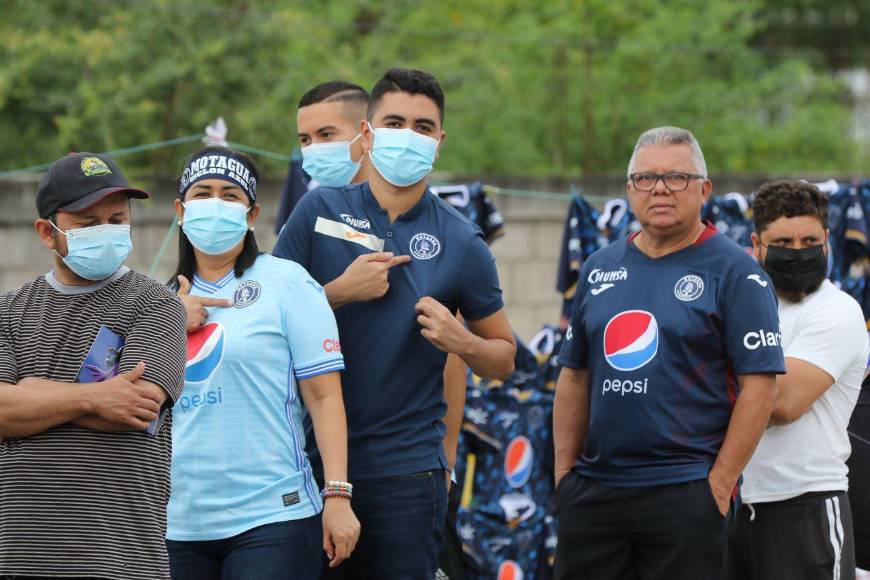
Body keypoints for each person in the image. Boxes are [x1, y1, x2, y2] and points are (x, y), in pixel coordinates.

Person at [274, 68, 516, 579]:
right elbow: (264, 320)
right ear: (367, 133)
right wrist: (338, 292)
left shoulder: (462, 240)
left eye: (423, 127)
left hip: (408, 473)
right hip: (309, 463)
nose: (408, 136)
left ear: (440, 141)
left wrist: (462, 341)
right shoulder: (316, 211)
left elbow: (504, 359)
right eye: (394, 121)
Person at [553, 127, 785, 580]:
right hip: (595, 494)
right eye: (645, 178)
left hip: (685, 494)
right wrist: (565, 474)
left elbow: (761, 386)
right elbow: (575, 376)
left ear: (704, 189)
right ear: (629, 190)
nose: (659, 188)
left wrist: (718, 487)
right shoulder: (600, 268)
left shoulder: (736, 272)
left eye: (676, 177)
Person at [164, 146, 360, 580]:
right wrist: (170, 324)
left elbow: (325, 398)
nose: (215, 204)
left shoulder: (287, 283)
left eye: (230, 195)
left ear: (252, 215)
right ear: (180, 209)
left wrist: (338, 495)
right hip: (177, 525)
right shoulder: (156, 303)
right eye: (202, 193)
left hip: (273, 516)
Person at [0, 152, 186, 579]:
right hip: (21, 557)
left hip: (120, 557)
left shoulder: (156, 304)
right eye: (87, 224)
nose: (107, 232)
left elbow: (137, 409)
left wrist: (28, 391)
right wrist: (97, 396)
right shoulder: (8, 311)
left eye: (117, 220)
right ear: (48, 233)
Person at [726, 180, 869, 580]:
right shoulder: (743, 307)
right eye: (783, 242)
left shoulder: (838, 311)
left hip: (808, 509)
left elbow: (781, 404)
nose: (797, 251)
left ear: (826, 240)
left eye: (808, 239)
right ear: (757, 244)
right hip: (742, 507)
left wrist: (692, 388)